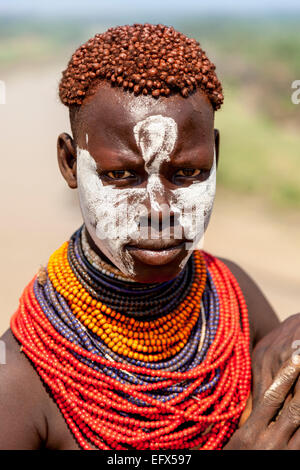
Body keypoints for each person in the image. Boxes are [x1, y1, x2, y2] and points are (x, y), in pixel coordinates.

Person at [0, 23, 299, 450]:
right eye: (120, 176)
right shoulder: (20, 383)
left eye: (187, 173)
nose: (159, 212)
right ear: (69, 163)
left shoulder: (232, 297)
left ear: (215, 155)